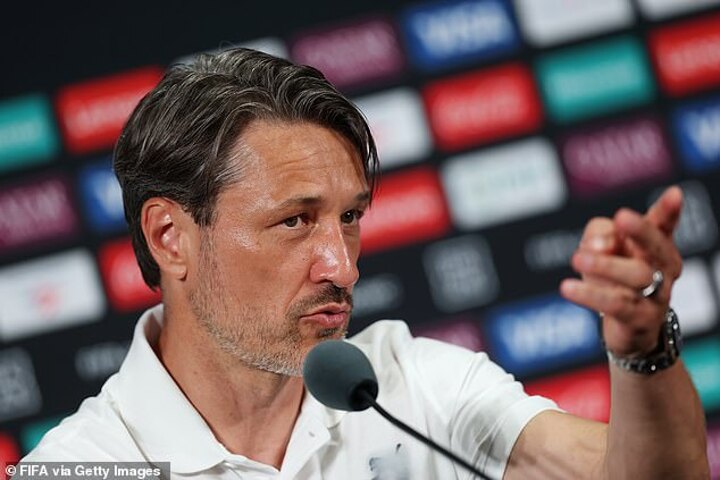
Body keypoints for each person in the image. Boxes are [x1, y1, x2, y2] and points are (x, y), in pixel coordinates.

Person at [22, 48, 709, 479]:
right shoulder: (80, 466)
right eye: (295, 221)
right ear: (171, 237)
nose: (341, 266)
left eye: (349, 218)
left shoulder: (413, 384)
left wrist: (642, 347)